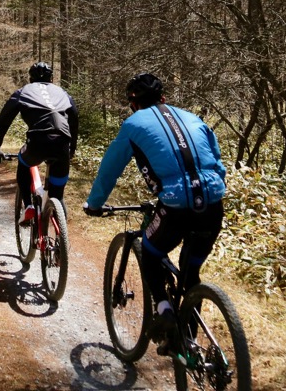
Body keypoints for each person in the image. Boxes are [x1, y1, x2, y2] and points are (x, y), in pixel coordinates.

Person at [83, 72, 227, 352]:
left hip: (175, 207)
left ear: (133, 104)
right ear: (163, 98)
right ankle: (189, 343)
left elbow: (110, 168)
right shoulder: (192, 117)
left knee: (150, 252)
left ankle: (164, 312)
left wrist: (95, 203)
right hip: (212, 204)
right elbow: (216, 157)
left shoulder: (133, 124)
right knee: (190, 272)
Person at [0, 61, 79, 222]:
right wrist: (72, 148)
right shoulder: (62, 92)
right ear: (51, 79)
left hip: (38, 141)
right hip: (62, 143)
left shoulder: (23, 92)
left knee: (24, 162)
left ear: (30, 78)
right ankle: (61, 240)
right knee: (57, 195)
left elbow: (4, 120)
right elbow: (74, 118)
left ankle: (29, 207)